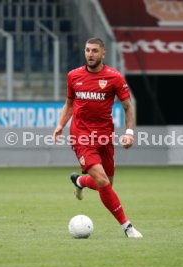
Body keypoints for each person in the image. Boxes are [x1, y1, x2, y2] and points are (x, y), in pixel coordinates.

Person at [53, 37, 143, 238]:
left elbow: (128, 106)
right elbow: (69, 104)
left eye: (94, 51)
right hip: (81, 136)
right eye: (87, 50)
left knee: (107, 184)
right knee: (102, 181)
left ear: (103, 53)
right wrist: (60, 125)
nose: (90, 54)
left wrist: (129, 133)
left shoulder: (114, 77)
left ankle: (80, 181)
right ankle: (127, 227)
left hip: (104, 137)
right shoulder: (73, 76)